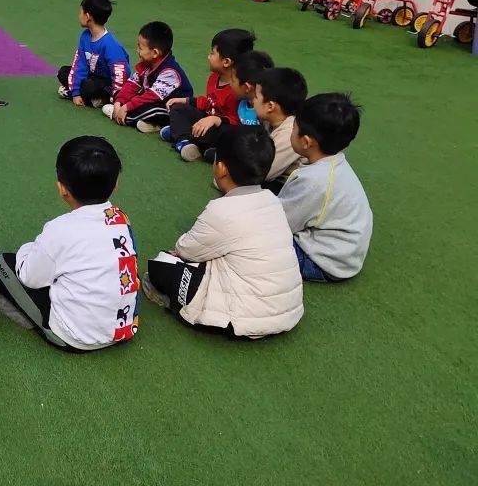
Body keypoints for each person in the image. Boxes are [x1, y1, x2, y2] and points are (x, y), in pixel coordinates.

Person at [143, 125, 303, 339]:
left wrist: (178, 255)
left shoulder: (222, 210)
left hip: (242, 317)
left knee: (160, 265)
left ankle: (175, 302)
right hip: (285, 310)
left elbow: (186, 249)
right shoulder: (273, 201)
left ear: (220, 169)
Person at [0, 136, 140, 351]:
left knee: (1, 264)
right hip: (123, 329)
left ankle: (35, 319)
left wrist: (27, 249)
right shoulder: (122, 219)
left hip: (74, 338)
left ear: (62, 188)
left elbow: (29, 277)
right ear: (116, 184)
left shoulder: (60, 228)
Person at [279, 93, 372, 282]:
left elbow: (280, 223)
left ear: (306, 142)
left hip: (322, 262)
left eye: (293, 127)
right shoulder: (333, 165)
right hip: (344, 255)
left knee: (254, 241)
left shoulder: (314, 182)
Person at [162, 28, 256, 161]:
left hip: (222, 130)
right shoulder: (214, 78)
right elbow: (209, 102)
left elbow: (238, 122)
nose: (208, 56)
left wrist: (216, 120)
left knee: (218, 135)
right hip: (207, 120)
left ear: (226, 62)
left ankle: (180, 134)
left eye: (212, 53)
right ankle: (184, 141)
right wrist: (187, 101)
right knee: (178, 108)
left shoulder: (239, 90)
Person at [103, 20, 193, 131]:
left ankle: (127, 117)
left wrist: (126, 107)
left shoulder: (170, 73)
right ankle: (150, 124)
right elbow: (132, 84)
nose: (137, 51)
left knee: (150, 110)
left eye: (140, 48)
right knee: (130, 99)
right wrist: (119, 102)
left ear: (155, 53)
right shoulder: (146, 64)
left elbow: (150, 96)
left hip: (171, 110)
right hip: (154, 103)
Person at [56, 0, 130, 108]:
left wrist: (117, 100)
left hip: (107, 84)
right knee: (63, 72)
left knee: (88, 87)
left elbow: (121, 74)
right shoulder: (85, 36)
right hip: (92, 76)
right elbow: (79, 64)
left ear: (87, 16)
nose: (78, 15)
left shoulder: (110, 44)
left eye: (80, 12)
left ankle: (101, 99)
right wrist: (75, 93)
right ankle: (87, 97)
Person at [252, 67, 307, 194]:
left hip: (292, 188)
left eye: (255, 96)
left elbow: (260, 173)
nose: (252, 101)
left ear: (270, 106)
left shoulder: (290, 134)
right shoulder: (270, 121)